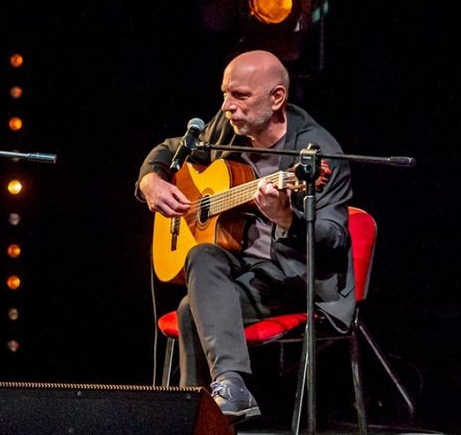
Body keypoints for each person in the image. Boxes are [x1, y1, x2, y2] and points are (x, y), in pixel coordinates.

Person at [136, 49, 354, 422]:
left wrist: (288, 219)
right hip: (245, 271)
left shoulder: (317, 153)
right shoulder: (227, 127)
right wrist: (150, 181)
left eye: (240, 97)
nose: (227, 107)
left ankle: (203, 416)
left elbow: (334, 241)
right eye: (225, 94)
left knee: (192, 309)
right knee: (201, 255)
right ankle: (228, 391)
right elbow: (169, 150)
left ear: (277, 98)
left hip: (296, 276)